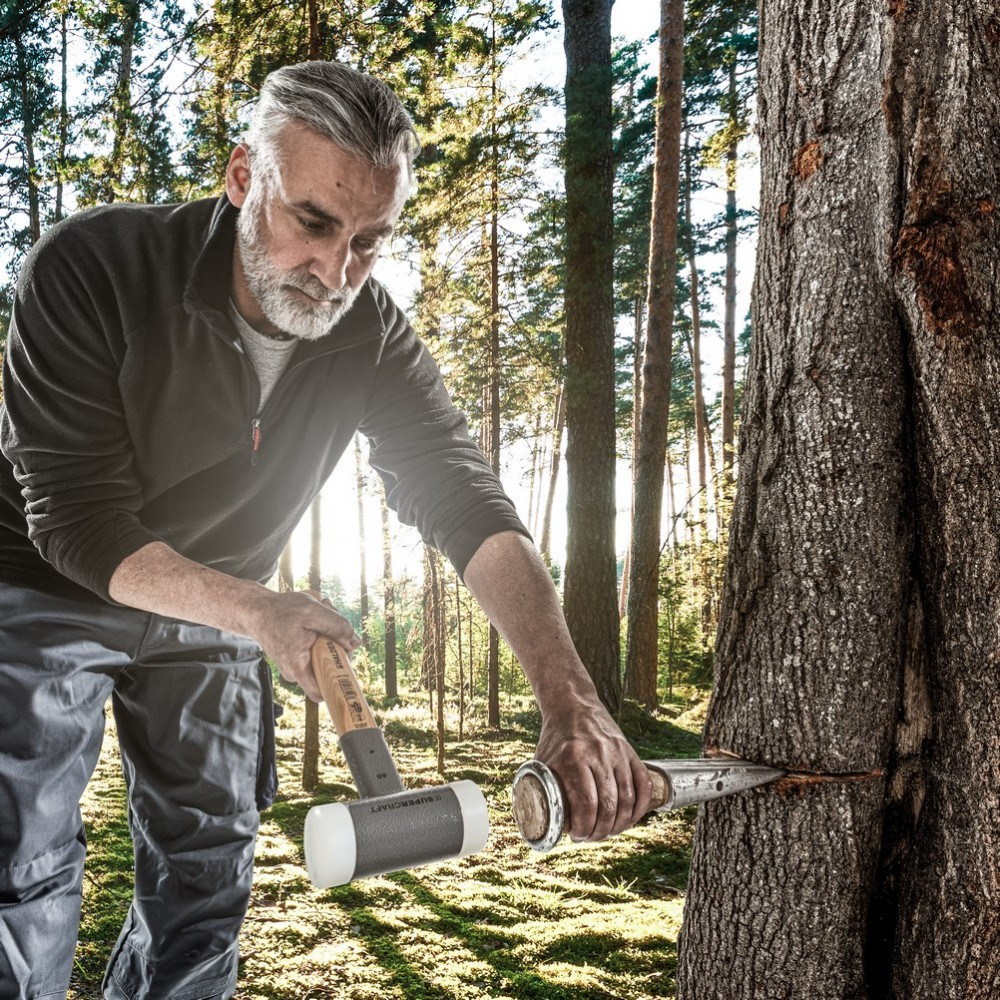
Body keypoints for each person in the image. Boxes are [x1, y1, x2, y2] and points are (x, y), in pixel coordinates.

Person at [0, 61, 652, 999]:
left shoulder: (370, 336)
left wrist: (571, 697)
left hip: (225, 604)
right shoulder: (92, 264)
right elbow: (78, 520)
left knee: (206, 878)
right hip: (44, 582)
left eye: (369, 242)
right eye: (314, 223)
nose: (337, 271)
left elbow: (466, 499)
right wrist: (261, 613)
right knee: (17, 865)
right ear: (241, 178)